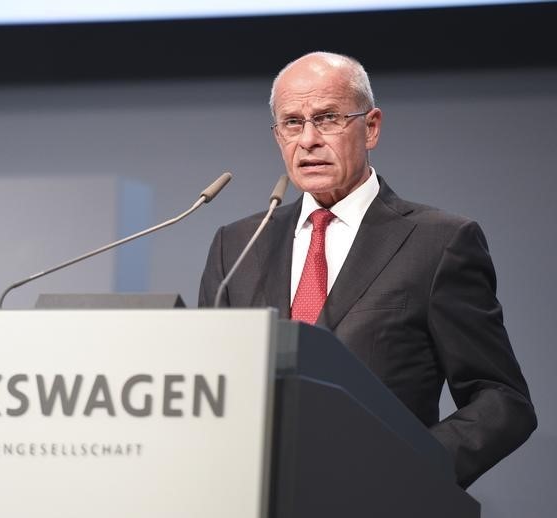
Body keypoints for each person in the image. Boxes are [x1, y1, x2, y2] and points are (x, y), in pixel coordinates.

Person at [198, 51, 536, 488]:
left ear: (371, 127)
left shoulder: (439, 242)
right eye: (292, 123)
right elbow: (207, 387)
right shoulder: (238, 245)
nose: (308, 140)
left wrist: (410, 471)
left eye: (328, 118)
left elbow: (502, 399)